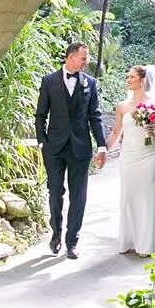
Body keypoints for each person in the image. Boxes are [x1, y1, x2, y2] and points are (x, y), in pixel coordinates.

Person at [34, 42, 107, 259]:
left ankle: (72, 241)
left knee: (79, 196)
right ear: (71, 57)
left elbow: (95, 116)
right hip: (54, 148)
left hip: (80, 147)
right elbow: (40, 115)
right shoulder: (48, 81)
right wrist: (42, 142)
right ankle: (56, 233)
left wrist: (101, 145)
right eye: (83, 58)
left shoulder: (90, 83)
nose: (86, 62)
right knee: (55, 191)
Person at [106, 64, 155, 257]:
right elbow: (116, 132)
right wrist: (102, 151)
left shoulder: (154, 104)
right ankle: (128, 241)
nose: (128, 80)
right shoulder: (122, 106)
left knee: (147, 200)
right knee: (128, 198)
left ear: (143, 80)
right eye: (128, 76)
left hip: (148, 157)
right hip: (129, 157)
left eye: (132, 77)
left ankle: (145, 245)